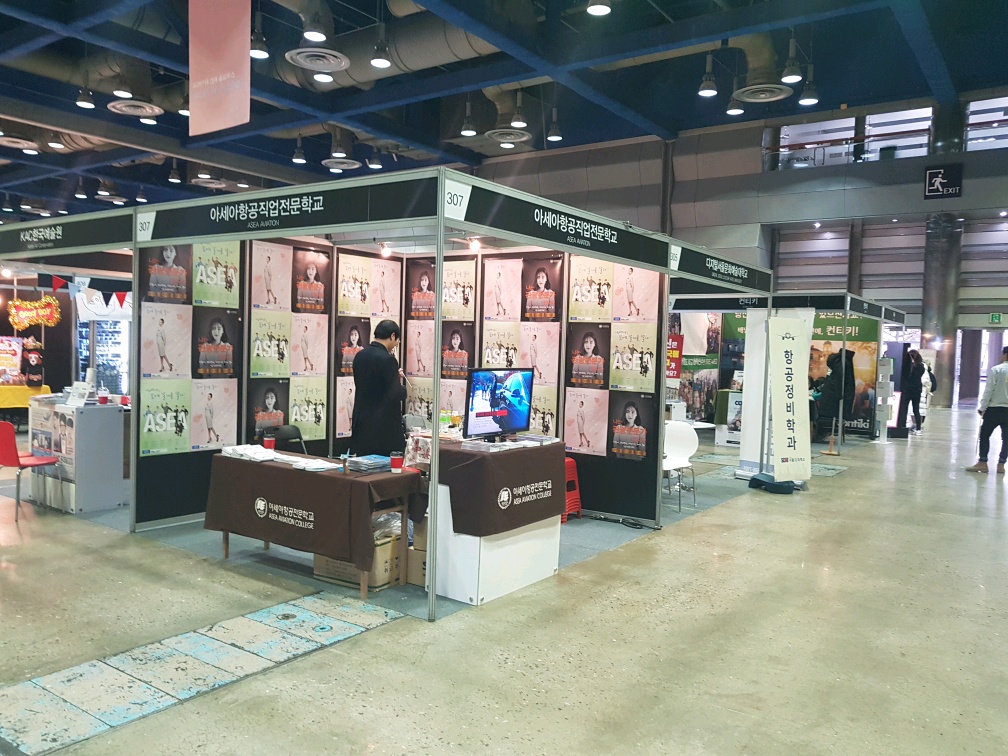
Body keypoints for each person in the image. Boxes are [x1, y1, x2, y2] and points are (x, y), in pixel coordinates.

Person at [351, 319, 407, 457]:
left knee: (364, 466)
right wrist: (403, 388)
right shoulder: (389, 360)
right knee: (386, 469)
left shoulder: (360, 355)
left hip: (362, 425)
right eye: (397, 340)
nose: (397, 343)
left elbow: (369, 385)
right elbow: (395, 394)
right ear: (392, 336)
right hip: (383, 428)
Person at [967, 346, 1008, 474]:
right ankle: (1001, 464)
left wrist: (982, 407)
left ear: (1005, 354)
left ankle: (983, 462)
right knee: (1006, 438)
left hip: (994, 409)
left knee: (984, 435)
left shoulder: (997, 370)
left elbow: (989, 390)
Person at [898, 348, 925, 434]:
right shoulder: (921, 367)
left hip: (908, 389)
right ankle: (918, 428)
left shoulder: (910, 367)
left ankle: (903, 426)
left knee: (904, 408)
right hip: (917, 390)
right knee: (916, 409)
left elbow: (908, 376)